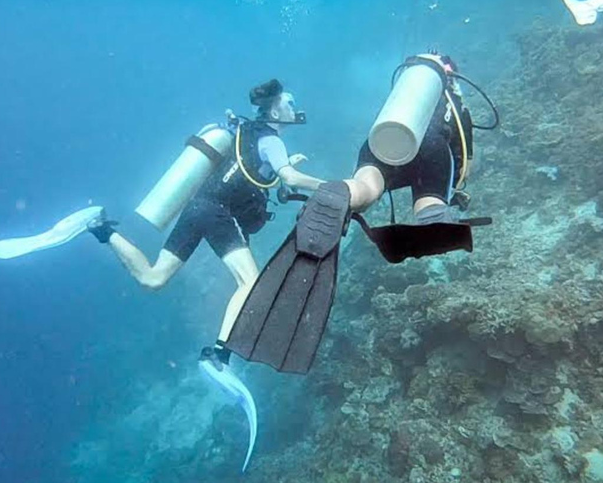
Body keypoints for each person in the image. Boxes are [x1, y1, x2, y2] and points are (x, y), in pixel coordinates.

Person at [224, 53, 497, 374]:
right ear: (450, 76)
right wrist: (454, 192)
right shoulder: (452, 97)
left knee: (363, 190)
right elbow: (465, 157)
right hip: (431, 147)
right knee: (430, 205)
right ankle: (431, 217)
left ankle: (339, 195)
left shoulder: (405, 98)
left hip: (381, 141)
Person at [86, 79, 326, 370]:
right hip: (216, 212)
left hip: (196, 207)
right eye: (289, 103)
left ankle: (101, 229)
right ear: (275, 113)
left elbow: (266, 178)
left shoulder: (246, 132)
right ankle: (219, 355)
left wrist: (285, 169)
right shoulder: (272, 140)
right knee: (250, 282)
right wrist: (333, 188)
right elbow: (289, 178)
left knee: (153, 278)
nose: (294, 107)